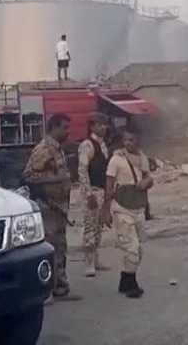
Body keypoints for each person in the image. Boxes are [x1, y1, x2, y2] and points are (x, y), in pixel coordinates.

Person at [22, 114, 80, 301]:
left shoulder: (57, 149)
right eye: (64, 128)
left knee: (60, 246)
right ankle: (47, 289)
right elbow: (29, 175)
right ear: (54, 128)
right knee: (51, 247)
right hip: (49, 206)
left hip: (59, 207)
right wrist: (53, 180)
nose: (68, 132)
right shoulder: (44, 150)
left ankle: (60, 286)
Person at [101, 124, 153, 298]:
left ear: (139, 140)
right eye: (125, 139)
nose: (128, 143)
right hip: (122, 208)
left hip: (138, 208)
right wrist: (106, 210)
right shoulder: (116, 160)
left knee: (138, 250)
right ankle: (131, 285)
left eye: (132, 139)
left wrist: (147, 183)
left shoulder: (143, 158)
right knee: (132, 248)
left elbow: (147, 179)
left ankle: (125, 280)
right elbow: (109, 185)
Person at [78, 113, 111, 277]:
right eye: (100, 124)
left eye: (105, 124)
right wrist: (89, 194)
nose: (103, 127)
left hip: (102, 190)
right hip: (92, 191)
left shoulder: (103, 145)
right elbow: (82, 170)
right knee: (90, 227)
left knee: (99, 227)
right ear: (92, 127)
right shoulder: (87, 145)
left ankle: (96, 259)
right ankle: (88, 263)